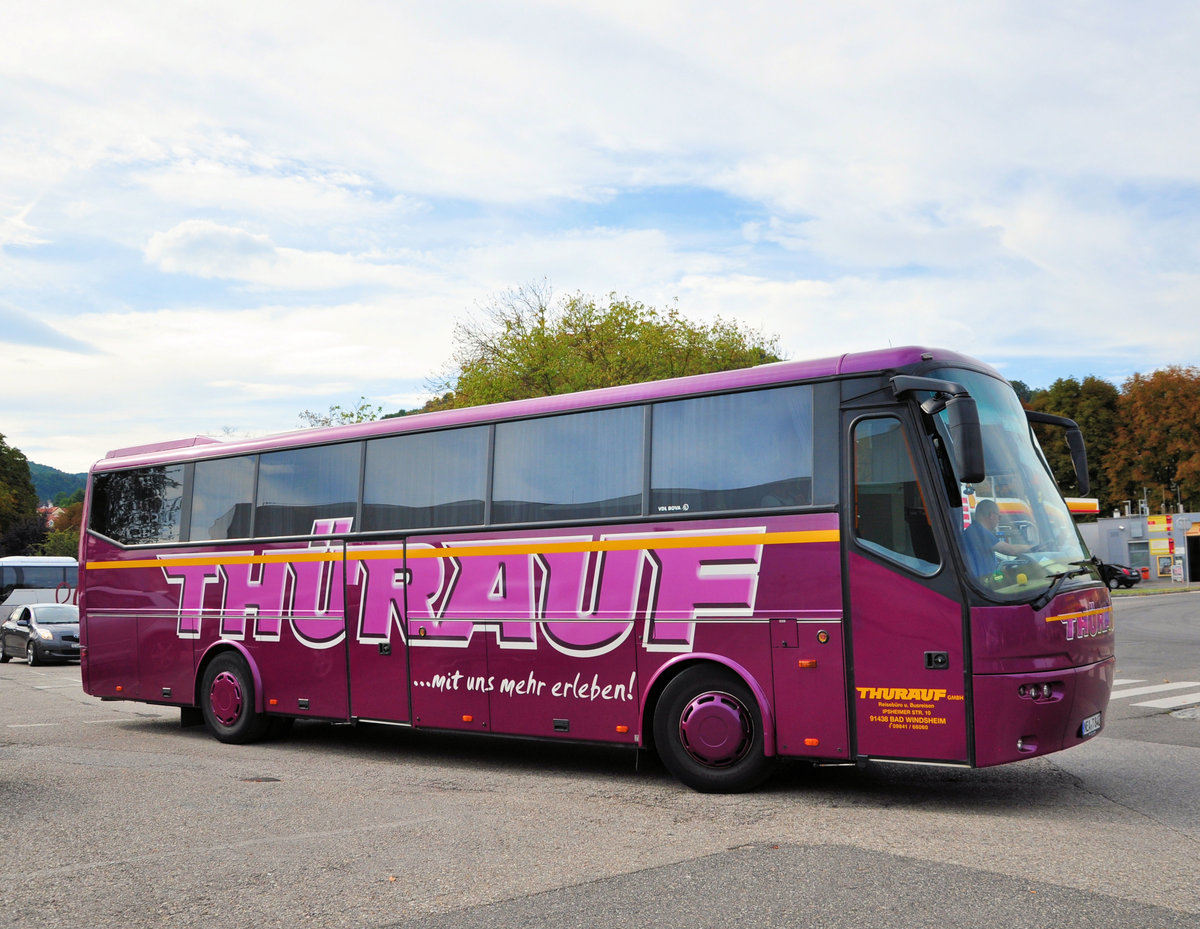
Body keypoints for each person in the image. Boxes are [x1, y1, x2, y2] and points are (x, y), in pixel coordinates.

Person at [962, 499, 1033, 576]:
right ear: (992, 515)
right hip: (982, 584)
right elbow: (1012, 550)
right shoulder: (979, 532)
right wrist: (1034, 548)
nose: (999, 520)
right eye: (999, 517)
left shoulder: (972, 530)